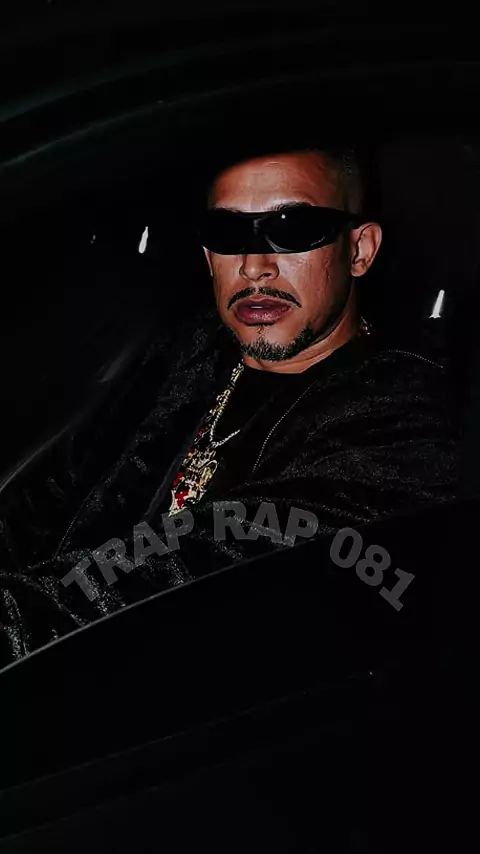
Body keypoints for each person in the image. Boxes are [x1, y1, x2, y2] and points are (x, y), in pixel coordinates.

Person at [0, 144, 460, 666]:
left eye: (293, 229)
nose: (254, 267)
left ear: (359, 250)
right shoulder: (185, 353)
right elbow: (46, 499)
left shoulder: (400, 419)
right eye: (228, 234)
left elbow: (221, 571)